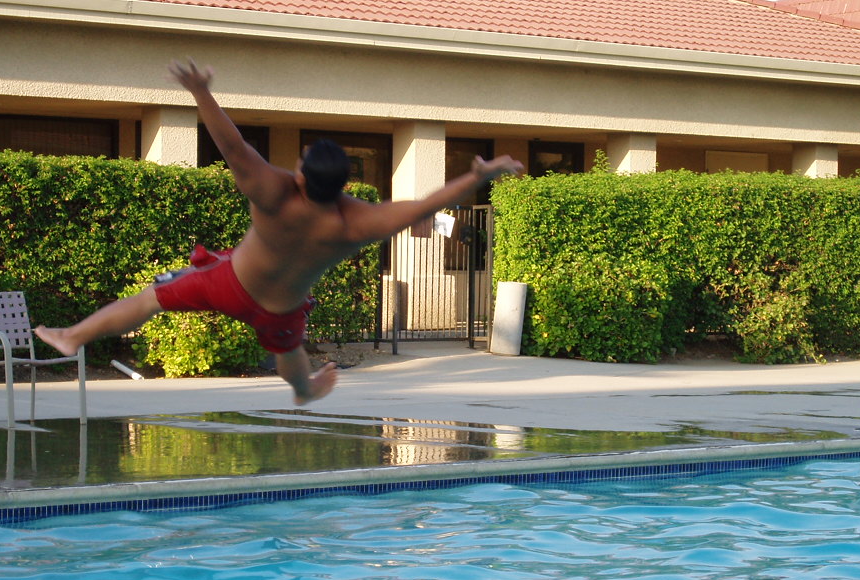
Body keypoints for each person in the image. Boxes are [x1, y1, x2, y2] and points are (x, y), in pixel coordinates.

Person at [36, 58, 524, 406]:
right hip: (280, 310)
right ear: (342, 184)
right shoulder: (355, 222)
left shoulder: (274, 192)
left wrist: (200, 91)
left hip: (229, 284)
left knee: (149, 300)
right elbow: (427, 204)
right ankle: (304, 390)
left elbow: (232, 145)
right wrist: (476, 175)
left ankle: (74, 337)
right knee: (288, 348)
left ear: (303, 176)